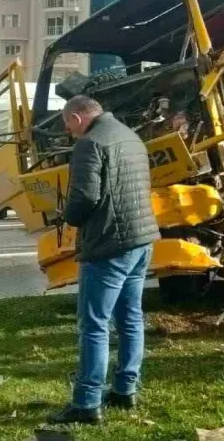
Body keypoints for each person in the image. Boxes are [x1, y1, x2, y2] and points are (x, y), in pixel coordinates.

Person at [48, 96, 161, 426]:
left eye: (67, 124)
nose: (68, 132)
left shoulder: (90, 144)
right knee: (130, 318)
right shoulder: (132, 137)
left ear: (79, 118)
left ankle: (86, 402)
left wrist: (68, 217)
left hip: (109, 244)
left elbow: (85, 196)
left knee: (94, 324)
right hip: (142, 241)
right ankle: (126, 390)